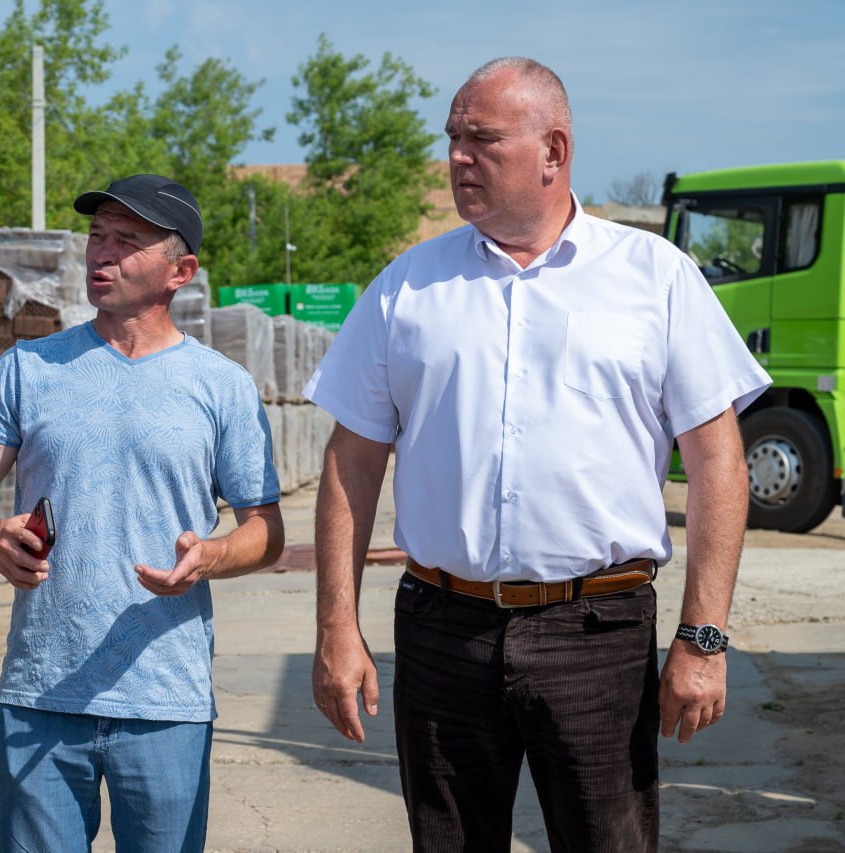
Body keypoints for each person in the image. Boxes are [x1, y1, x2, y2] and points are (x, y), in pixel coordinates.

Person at [305, 56, 772, 851]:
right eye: (452, 138)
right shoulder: (406, 288)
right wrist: (335, 628)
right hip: (443, 629)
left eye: (480, 139)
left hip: (597, 633)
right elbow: (351, 463)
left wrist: (704, 636)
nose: (456, 158)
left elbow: (719, 462)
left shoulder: (654, 278)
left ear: (554, 152)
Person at [0, 173, 285, 851]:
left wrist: (212, 555)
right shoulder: (29, 368)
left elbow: (266, 530)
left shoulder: (221, 387)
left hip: (164, 698)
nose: (103, 252)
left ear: (180, 270)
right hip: (42, 693)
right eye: (98, 235)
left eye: (128, 240)